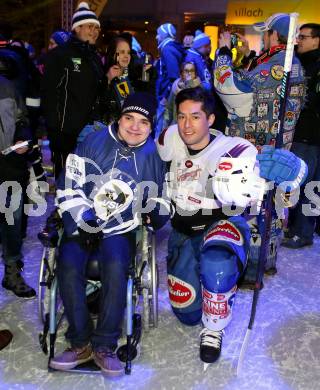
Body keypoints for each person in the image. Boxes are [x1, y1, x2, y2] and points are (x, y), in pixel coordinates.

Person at [156, 87, 307, 364]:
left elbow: (258, 179)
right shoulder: (169, 139)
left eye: (195, 117)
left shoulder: (234, 150)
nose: (187, 125)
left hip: (219, 224)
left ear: (210, 119)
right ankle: (204, 286)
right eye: (182, 117)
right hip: (182, 230)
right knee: (187, 315)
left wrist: (291, 170)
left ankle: (214, 326)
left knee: (217, 263)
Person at [50, 92, 169, 376]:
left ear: (152, 126)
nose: (134, 127)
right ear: (120, 117)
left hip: (121, 227)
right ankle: (80, 343)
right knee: (67, 263)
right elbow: (69, 185)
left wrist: (158, 211)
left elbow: (161, 198)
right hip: (82, 222)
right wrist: (84, 219)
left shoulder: (152, 155)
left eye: (143, 122)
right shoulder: (93, 141)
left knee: (116, 265)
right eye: (129, 118)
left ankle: (103, 344)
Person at [212, 13, 305, 282]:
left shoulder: (273, 67)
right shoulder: (291, 64)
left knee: (254, 208)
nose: (264, 37)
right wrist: (245, 56)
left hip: (256, 152)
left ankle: (253, 270)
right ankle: (268, 261)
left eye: (266, 33)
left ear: (274, 35)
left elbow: (227, 86)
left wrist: (223, 52)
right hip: (279, 148)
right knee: (273, 206)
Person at [41, 1, 105, 178]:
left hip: (89, 130)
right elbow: (49, 94)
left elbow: (96, 91)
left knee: (85, 177)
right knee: (66, 178)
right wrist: (55, 130)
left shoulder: (94, 57)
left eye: (97, 28)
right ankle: (63, 205)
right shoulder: (60, 55)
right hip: (65, 132)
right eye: (90, 26)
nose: (95, 31)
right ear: (77, 28)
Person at [282, 23, 320, 248]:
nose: (299, 41)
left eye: (304, 37)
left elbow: (310, 101)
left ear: (316, 40)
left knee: (309, 186)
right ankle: (297, 229)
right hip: (300, 133)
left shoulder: (315, 66)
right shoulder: (299, 62)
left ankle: (303, 233)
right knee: (299, 184)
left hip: (311, 136)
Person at [0, 74, 36, 298]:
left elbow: (22, 119)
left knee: (12, 221)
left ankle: (12, 272)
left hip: (9, 165)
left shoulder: (6, 85)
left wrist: (22, 137)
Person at [155, 23, 184, 137]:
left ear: (165, 35)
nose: (156, 37)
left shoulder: (167, 49)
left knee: (162, 128)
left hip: (165, 96)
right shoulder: (170, 48)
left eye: (158, 34)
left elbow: (173, 76)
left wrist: (166, 97)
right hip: (167, 95)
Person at [103, 36, 134, 124]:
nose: (126, 56)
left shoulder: (130, 78)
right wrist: (107, 81)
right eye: (122, 52)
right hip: (107, 130)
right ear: (113, 54)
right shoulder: (103, 76)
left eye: (128, 52)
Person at [163, 61, 201, 128]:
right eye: (186, 71)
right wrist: (165, 128)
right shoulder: (175, 88)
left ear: (195, 74)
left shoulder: (200, 89)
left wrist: (190, 83)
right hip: (175, 126)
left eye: (192, 71)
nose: (189, 73)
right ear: (181, 74)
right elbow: (169, 109)